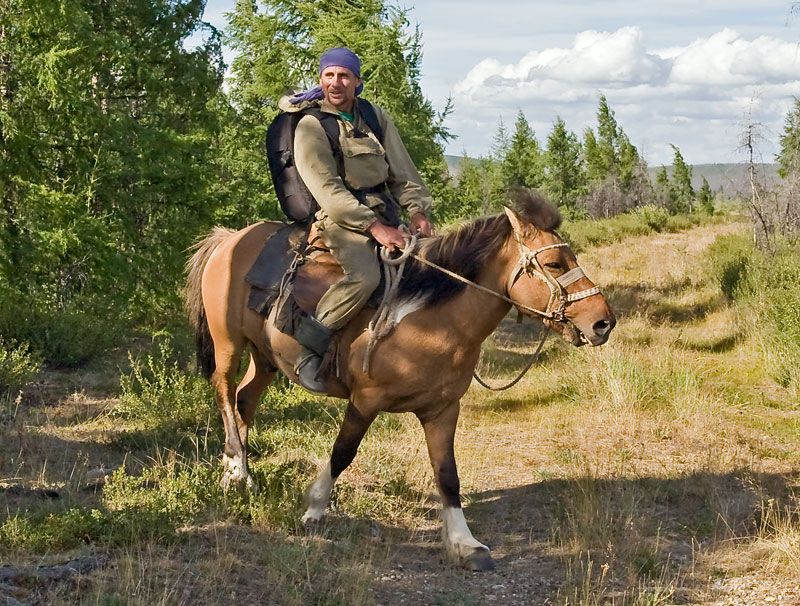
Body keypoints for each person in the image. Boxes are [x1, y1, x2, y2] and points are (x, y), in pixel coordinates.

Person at [282, 47, 434, 393]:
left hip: (386, 211)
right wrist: (375, 228)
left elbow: (403, 171)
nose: (336, 83)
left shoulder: (374, 117)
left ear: (357, 81)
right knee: (365, 276)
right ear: (320, 80)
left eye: (344, 76)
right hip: (340, 217)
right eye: (329, 76)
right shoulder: (311, 126)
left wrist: (417, 210)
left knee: (430, 267)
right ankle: (310, 348)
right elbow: (328, 190)